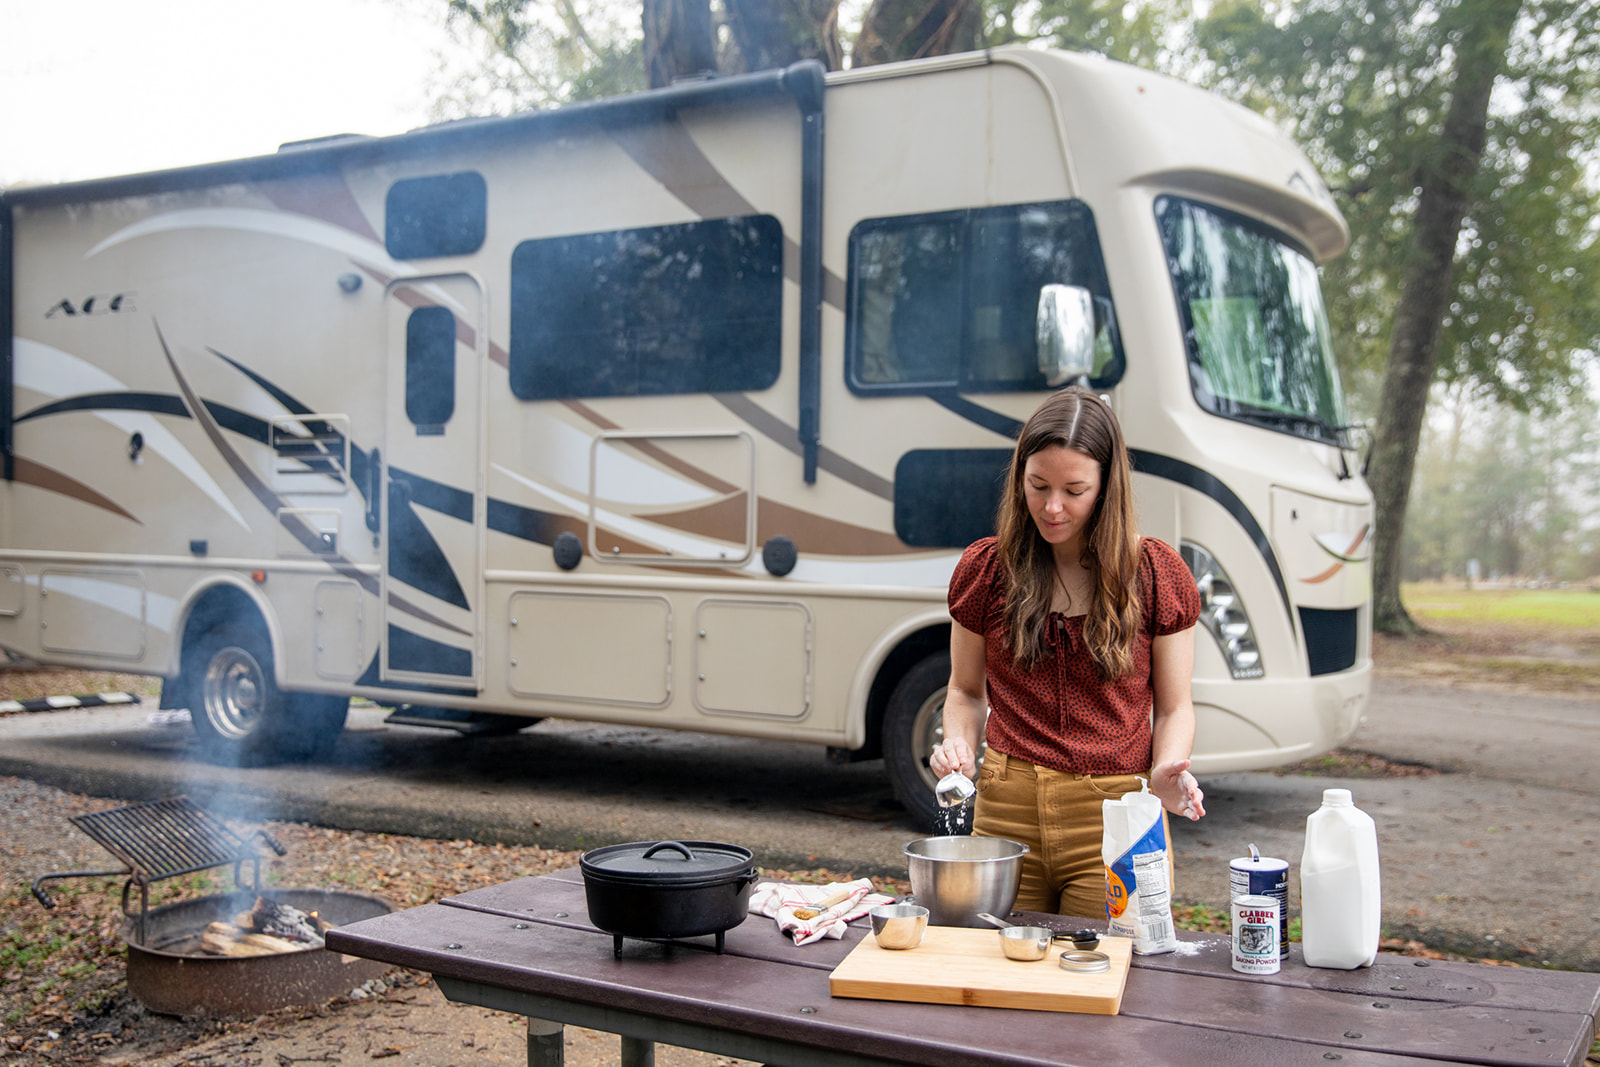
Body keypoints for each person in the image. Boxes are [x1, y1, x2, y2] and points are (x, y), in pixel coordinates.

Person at [929, 385, 1205, 918]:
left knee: (1103, 979)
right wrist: (957, 747)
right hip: (1006, 810)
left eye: (1074, 490)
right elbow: (964, 690)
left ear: (1106, 487)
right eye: (1037, 486)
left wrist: (1168, 770)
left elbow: (1174, 706)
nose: (1052, 507)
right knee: (995, 978)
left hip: (1117, 814)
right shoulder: (987, 570)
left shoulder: (1154, 573)